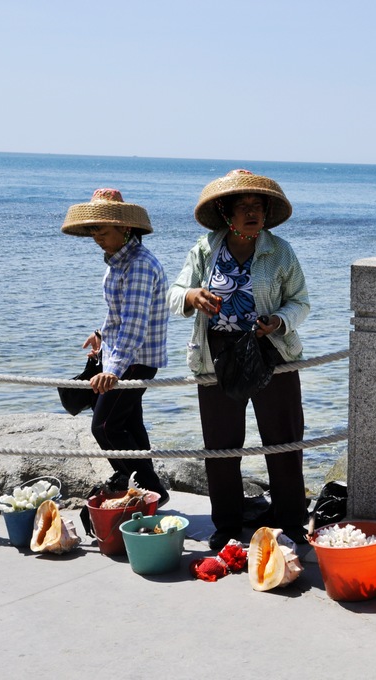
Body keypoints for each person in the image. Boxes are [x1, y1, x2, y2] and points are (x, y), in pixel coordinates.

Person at [169, 169, 310, 550]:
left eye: (257, 206)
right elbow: (174, 293)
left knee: (283, 441)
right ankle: (226, 525)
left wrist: (279, 321)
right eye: (243, 206)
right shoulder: (205, 249)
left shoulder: (280, 251)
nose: (251, 212)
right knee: (221, 446)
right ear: (226, 213)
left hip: (272, 352)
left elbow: (301, 302)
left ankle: (291, 523)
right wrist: (193, 296)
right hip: (215, 357)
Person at [60, 188, 171, 505]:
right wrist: (102, 334)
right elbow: (121, 314)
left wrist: (111, 371)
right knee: (128, 424)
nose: (96, 236)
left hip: (134, 359)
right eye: (93, 229)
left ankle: (146, 488)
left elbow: (134, 327)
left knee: (105, 427)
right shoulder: (120, 261)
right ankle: (139, 484)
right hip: (127, 354)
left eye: (102, 230)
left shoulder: (138, 265)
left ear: (125, 228)